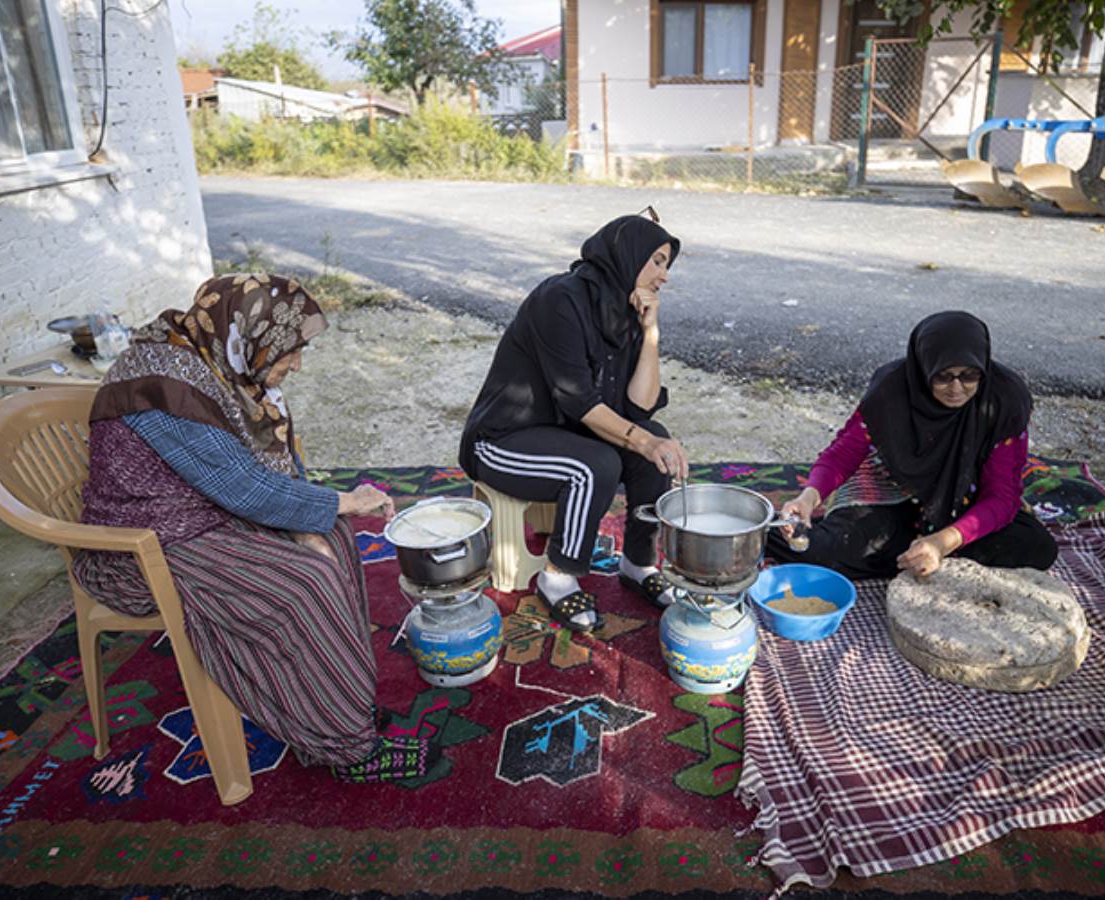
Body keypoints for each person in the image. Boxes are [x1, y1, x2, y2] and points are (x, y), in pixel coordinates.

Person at [74, 274, 433, 784]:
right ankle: (348, 748)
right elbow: (246, 489)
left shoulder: (218, 363)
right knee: (303, 584)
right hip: (149, 540)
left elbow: (270, 467)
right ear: (249, 335)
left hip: (202, 511)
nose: (298, 364)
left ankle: (337, 708)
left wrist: (316, 521)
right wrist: (344, 501)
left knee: (332, 539)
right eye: (290, 351)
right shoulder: (162, 384)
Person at [459, 211, 690, 631]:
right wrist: (640, 440)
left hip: (565, 431)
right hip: (503, 441)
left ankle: (638, 563)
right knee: (597, 465)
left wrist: (651, 331)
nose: (664, 275)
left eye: (666, 264)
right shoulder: (560, 300)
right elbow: (578, 401)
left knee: (655, 440)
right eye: (657, 260)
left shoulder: (627, 310)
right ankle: (558, 576)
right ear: (628, 253)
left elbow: (639, 410)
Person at [768, 310, 1058, 579]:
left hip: (967, 499)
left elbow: (1002, 494)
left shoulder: (1005, 400)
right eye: (943, 376)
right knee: (820, 550)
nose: (957, 389)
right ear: (923, 369)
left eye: (969, 375)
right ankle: (755, 529)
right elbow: (846, 451)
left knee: (1037, 547)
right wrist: (809, 496)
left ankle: (919, 551)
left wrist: (945, 541)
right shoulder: (891, 390)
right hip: (893, 491)